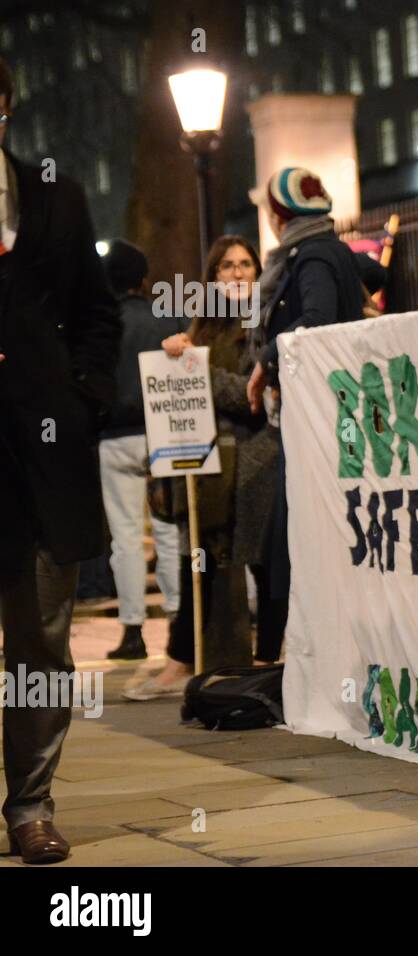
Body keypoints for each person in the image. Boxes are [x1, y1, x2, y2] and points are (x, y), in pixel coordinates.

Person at [0, 56, 121, 863]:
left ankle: (31, 807)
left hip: (42, 462)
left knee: (40, 645)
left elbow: (97, 316)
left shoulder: (57, 195)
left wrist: (77, 401)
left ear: (4, 105)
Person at [125, 236, 274, 699]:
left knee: (264, 568)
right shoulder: (205, 325)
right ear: (212, 277)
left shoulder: (266, 324)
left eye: (246, 264)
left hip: (256, 463)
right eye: (226, 266)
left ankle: (264, 662)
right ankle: (192, 660)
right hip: (209, 466)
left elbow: (250, 399)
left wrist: (197, 369)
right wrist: (179, 355)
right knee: (204, 563)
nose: (236, 273)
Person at [246, 167, 368, 654]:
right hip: (316, 416)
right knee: (289, 532)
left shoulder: (313, 255)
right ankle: (292, 652)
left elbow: (317, 320)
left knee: (294, 534)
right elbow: (364, 279)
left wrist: (266, 361)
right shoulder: (322, 250)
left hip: (320, 418)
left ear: (280, 214)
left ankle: (298, 654)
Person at [99, 240, 185, 660]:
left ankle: (132, 632)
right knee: (168, 533)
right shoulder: (165, 318)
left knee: (126, 539)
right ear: (144, 278)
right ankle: (176, 622)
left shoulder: (99, 324)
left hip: (113, 437)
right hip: (164, 432)